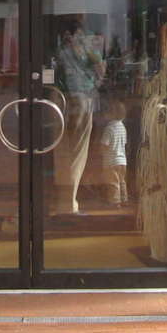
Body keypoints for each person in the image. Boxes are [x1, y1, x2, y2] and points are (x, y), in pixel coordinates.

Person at [53, 19, 103, 214]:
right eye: (80, 35)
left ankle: (65, 200)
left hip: (63, 101)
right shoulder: (84, 52)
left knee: (64, 151)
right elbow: (100, 70)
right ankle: (69, 202)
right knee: (77, 151)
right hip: (81, 100)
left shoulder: (61, 52)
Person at [99, 99, 128, 206]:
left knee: (113, 182)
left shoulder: (109, 128)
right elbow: (124, 143)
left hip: (111, 162)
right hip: (122, 161)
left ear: (112, 114)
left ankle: (115, 202)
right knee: (122, 181)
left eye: (107, 111)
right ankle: (124, 199)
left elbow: (104, 144)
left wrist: (100, 151)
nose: (104, 114)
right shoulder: (123, 127)